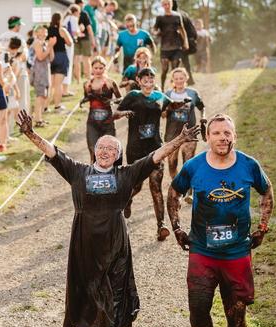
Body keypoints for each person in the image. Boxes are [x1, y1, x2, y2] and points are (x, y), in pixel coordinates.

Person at [16, 109, 202, 327]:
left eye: (111, 149)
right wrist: (30, 133)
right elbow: (53, 152)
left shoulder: (125, 175)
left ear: (117, 156)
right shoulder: (78, 172)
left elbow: (155, 156)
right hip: (85, 241)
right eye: (101, 147)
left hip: (115, 241)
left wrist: (180, 140)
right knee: (91, 289)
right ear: (94, 151)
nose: (105, 151)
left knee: (115, 294)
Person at [166, 113, 274, 327]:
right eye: (217, 133)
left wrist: (262, 227)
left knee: (236, 315)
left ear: (234, 136)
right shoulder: (194, 166)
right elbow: (174, 192)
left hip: (237, 253)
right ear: (208, 137)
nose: (222, 138)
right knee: (198, 311)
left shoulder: (249, 165)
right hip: (203, 252)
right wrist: (176, 227)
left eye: (227, 133)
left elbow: (267, 191)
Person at [117, 68, 171, 240]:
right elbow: (116, 113)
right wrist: (124, 113)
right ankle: (127, 200)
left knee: (156, 187)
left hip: (156, 147)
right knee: (137, 186)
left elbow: (170, 109)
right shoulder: (133, 95)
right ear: (139, 80)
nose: (148, 81)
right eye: (145, 78)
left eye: (151, 78)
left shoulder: (161, 96)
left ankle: (161, 226)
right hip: (135, 148)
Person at [162, 67, 206, 180]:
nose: (179, 81)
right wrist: (164, 112)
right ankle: (177, 187)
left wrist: (203, 118)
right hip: (172, 134)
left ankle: (189, 193)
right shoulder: (167, 94)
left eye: (181, 78)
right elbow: (162, 113)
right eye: (176, 78)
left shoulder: (193, 93)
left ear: (186, 78)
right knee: (172, 164)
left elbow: (202, 107)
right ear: (173, 80)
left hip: (189, 133)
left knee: (188, 163)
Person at [81, 56, 127, 163]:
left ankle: (112, 175)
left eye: (101, 68)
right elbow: (87, 97)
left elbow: (121, 99)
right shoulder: (87, 84)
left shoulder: (111, 83)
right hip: (92, 123)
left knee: (110, 151)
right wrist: (83, 101)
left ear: (105, 68)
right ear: (92, 68)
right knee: (93, 151)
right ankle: (93, 176)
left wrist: (112, 101)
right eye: (96, 68)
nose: (98, 71)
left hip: (107, 123)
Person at [153, 0, 188, 89]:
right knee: (164, 69)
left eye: (168, 4)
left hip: (176, 46)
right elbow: (155, 29)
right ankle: (162, 87)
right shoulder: (160, 17)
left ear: (171, 4)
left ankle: (175, 88)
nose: (167, 6)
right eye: (165, 4)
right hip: (165, 47)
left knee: (175, 69)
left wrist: (185, 42)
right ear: (162, 5)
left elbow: (182, 29)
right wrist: (156, 33)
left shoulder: (177, 16)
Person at [47, 13, 73, 112]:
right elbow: (70, 43)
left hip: (50, 56)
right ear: (60, 20)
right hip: (61, 56)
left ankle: (45, 106)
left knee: (50, 84)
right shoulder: (61, 30)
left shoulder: (48, 30)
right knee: (58, 84)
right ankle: (57, 106)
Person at [30, 26, 54, 128]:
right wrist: (49, 47)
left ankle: (40, 117)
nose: (44, 34)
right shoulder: (36, 43)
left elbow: (51, 58)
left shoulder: (45, 43)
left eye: (45, 32)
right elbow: (40, 57)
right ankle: (37, 120)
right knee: (40, 96)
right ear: (37, 33)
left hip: (45, 71)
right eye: (42, 32)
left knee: (45, 96)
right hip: (39, 72)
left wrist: (51, 46)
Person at [172, 0, 197, 86]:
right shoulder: (184, 13)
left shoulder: (176, 15)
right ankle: (189, 80)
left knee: (177, 61)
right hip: (188, 40)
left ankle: (176, 81)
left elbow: (178, 30)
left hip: (182, 41)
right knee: (185, 61)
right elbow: (193, 29)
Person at [73, 0, 96, 82]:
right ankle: (88, 78)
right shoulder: (83, 13)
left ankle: (78, 79)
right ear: (80, 4)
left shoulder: (71, 13)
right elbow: (89, 28)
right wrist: (93, 39)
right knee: (86, 59)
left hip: (75, 39)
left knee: (76, 59)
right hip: (85, 39)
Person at [62, 6, 80, 96]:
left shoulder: (65, 18)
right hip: (69, 43)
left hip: (63, 44)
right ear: (75, 12)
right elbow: (74, 32)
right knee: (68, 66)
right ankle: (65, 90)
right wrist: (81, 30)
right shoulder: (73, 18)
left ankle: (62, 89)